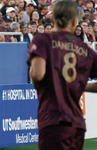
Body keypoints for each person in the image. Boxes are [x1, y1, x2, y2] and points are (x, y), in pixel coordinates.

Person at [27, 0, 97, 150]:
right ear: (75, 21)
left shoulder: (42, 40)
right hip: (77, 124)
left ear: (52, 19)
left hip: (53, 119)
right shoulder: (87, 50)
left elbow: (38, 75)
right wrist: (76, 84)